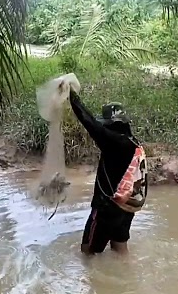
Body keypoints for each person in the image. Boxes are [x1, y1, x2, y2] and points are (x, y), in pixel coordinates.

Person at [59, 80, 148, 256]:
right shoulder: (133, 142)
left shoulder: (113, 142)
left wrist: (72, 98)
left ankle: (95, 280)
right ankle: (125, 279)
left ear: (110, 123)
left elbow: (89, 122)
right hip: (127, 207)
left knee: (87, 252)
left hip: (107, 208)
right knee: (119, 248)